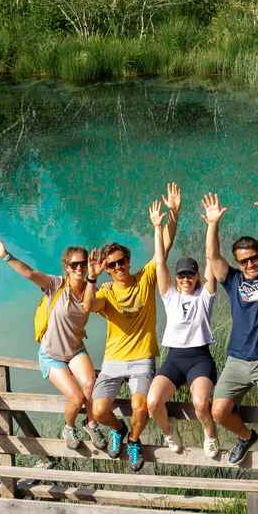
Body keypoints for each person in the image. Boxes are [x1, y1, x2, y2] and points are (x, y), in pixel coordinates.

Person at [83, 183, 181, 470]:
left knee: (140, 406)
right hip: (113, 360)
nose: (118, 268)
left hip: (141, 359)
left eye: (121, 262)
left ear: (129, 261)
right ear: (107, 269)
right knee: (99, 410)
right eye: (111, 265)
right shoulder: (105, 293)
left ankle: (134, 440)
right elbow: (88, 307)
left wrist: (173, 214)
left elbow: (164, 247)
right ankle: (118, 430)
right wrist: (91, 278)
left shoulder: (145, 278)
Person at [202, 187, 258, 468]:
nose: (250, 264)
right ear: (238, 262)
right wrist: (214, 224)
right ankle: (245, 436)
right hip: (237, 360)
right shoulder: (232, 281)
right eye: (244, 261)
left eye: (253, 258)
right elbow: (213, 256)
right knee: (218, 411)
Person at [0, 236, 97, 449]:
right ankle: (69, 428)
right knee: (76, 397)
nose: (80, 267)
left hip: (75, 350)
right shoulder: (55, 284)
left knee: (91, 384)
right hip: (51, 355)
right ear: (67, 267)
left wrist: (94, 278)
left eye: (83, 263)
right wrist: (5, 255)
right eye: (75, 264)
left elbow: (92, 306)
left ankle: (91, 424)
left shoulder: (91, 289)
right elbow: (29, 273)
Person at [146, 195, 219, 459]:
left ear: (197, 276)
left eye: (190, 274)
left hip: (199, 358)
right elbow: (158, 263)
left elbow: (211, 257)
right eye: (182, 275)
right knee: (152, 402)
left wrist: (212, 225)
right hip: (174, 358)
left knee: (200, 404)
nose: (186, 278)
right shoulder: (170, 296)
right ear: (176, 279)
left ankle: (210, 434)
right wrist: (157, 227)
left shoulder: (206, 296)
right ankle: (169, 432)